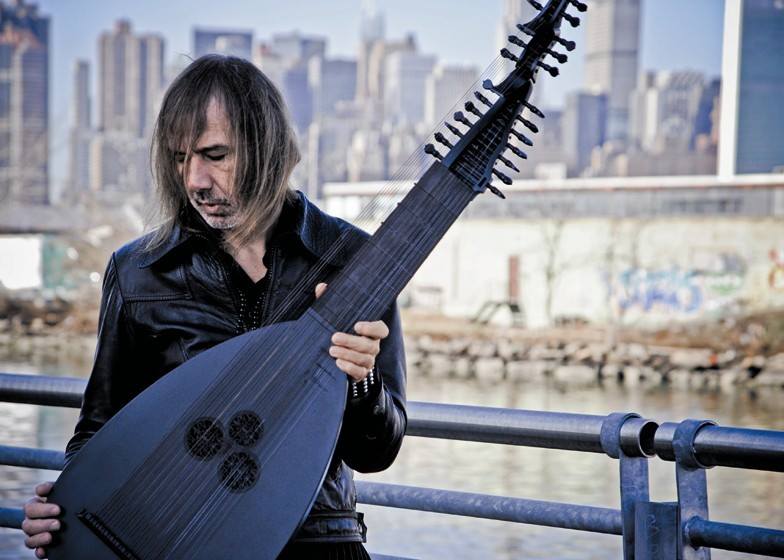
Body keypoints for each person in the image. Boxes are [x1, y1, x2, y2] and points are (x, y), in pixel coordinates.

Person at [21, 54, 407, 559]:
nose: (195, 180)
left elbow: (377, 452)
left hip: (319, 541)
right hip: (183, 539)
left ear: (268, 149)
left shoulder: (354, 261)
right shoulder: (140, 270)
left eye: (215, 155)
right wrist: (66, 509)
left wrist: (362, 380)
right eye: (180, 158)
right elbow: (99, 431)